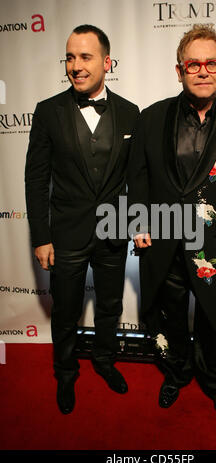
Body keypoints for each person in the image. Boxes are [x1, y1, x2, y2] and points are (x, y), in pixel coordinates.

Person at [128, 24, 216, 423]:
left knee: (215, 321)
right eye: (193, 64)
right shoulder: (150, 118)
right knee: (168, 316)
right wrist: (138, 223)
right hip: (163, 241)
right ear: (179, 70)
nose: (202, 71)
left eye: (211, 63)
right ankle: (175, 373)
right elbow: (137, 177)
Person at [25, 24, 139, 414]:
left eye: (85, 57)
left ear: (107, 62)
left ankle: (105, 361)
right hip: (66, 232)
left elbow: (136, 179)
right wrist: (41, 236)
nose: (75, 66)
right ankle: (66, 373)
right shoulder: (48, 112)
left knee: (109, 305)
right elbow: (36, 179)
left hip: (114, 229)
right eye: (70, 57)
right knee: (66, 309)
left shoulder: (129, 112)